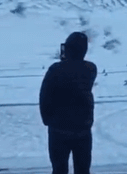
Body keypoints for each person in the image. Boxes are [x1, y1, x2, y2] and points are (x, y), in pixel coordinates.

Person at [39, 32, 97, 174]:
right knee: (83, 169)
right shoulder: (90, 68)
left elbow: (45, 96)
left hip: (59, 128)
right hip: (83, 128)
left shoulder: (56, 69)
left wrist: (47, 119)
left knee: (59, 169)